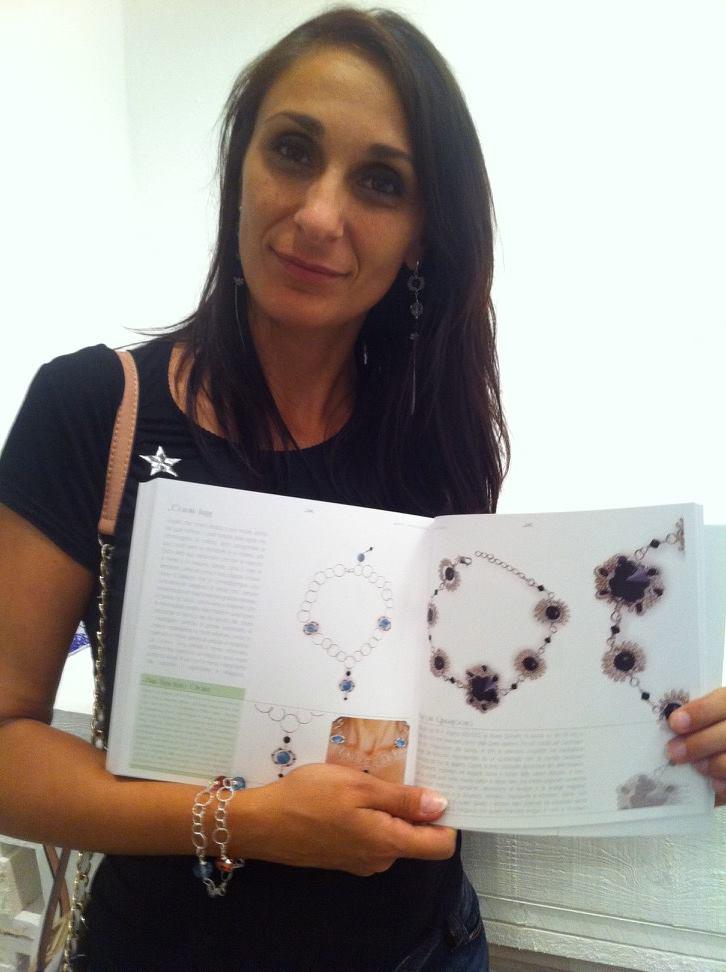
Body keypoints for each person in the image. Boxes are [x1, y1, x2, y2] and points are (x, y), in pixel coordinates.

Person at [0, 6, 724, 971]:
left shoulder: (438, 435)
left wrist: (678, 741)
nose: (318, 215)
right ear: (240, 166)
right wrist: (245, 821)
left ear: (422, 235)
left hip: (427, 950)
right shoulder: (95, 406)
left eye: (381, 182)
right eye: (292, 151)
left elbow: (477, 712)